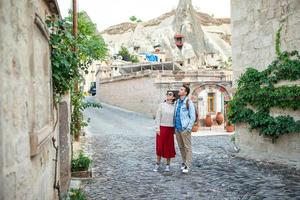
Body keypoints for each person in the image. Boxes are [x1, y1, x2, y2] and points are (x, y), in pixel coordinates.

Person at [174, 85, 196, 173]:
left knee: (187, 148)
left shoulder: (188, 102)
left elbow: (193, 117)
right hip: (177, 129)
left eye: (181, 89)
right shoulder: (177, 102)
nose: (179, 90)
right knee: (181, 147)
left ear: (185, 92)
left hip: (185, 129)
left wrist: (188, 128)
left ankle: (187, 165)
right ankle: (184, 162)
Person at [153, 91, 176, 172]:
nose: (168, 95)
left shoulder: (175, 106)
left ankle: (167, 165)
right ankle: (157, 163)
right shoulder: (162, 105)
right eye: (167, 94)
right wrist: (157, 128)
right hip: (162, 128)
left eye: (170, 94)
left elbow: (175, 119)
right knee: (160, 147)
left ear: (173, 97)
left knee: (169, 147)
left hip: (170, 129)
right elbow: (158, 117)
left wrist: (175, 129)